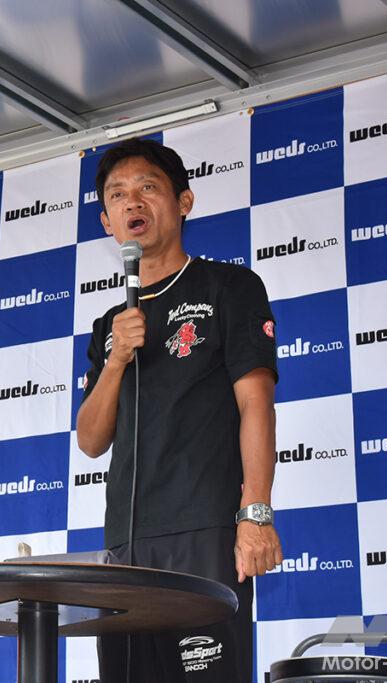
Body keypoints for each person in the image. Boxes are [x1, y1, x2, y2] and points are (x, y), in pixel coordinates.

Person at [76, 139, 282, 682]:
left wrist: (256, 513)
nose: (132, 202)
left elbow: (256, 402)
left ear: (183, 202)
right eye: (117, 195)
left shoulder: (229, 287)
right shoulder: (109, 325)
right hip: (125, 544)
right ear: (107, 222)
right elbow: (91, 441)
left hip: (203, 532)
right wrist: (116, 359)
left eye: (148, 187)